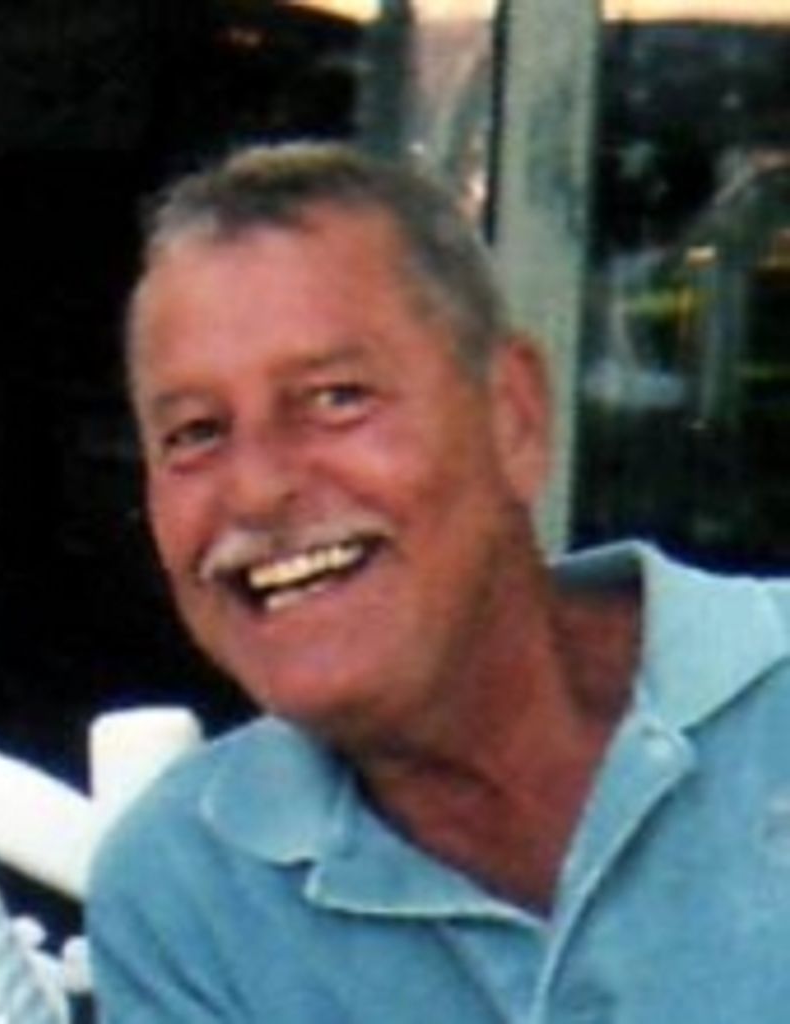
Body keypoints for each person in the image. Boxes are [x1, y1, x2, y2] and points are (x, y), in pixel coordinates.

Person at [87, 141, 790, 1023]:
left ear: (512, 417)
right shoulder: (193, 897)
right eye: (195, 434)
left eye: (336, 398)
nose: (257, 488)